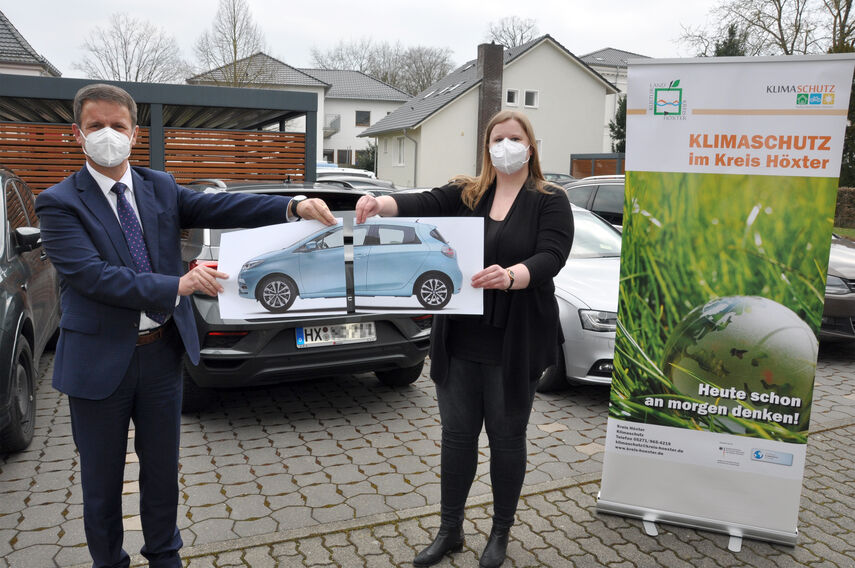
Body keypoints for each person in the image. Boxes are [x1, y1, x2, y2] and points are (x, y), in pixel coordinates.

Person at [34, 83, 336, 568]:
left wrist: (292, 205)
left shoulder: (160, 187)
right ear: (77, 134)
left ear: (135, 133)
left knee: (161, 471)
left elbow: (223, 207)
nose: (107, 134)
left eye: (118, 126)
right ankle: (108, 561)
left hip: (160, 354)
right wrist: (179, 285)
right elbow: (91, 276)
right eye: (96, 126)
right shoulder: (58, 201)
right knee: (101, 480)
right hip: (97, 363)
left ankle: (164, 555)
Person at [356, 109, 573, 568]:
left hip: (514, 341)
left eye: (515, 138)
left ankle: (499, 533)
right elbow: (421, 203)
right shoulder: (468, 193)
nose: (506, 146)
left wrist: (513, 275)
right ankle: (449, 530)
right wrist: (380, 204)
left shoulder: (549, 199)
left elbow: (552, 255)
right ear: (487, 146)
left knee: (507, 437)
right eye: (498, 139)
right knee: (456, 439)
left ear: (530, 146)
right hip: (461, 339)